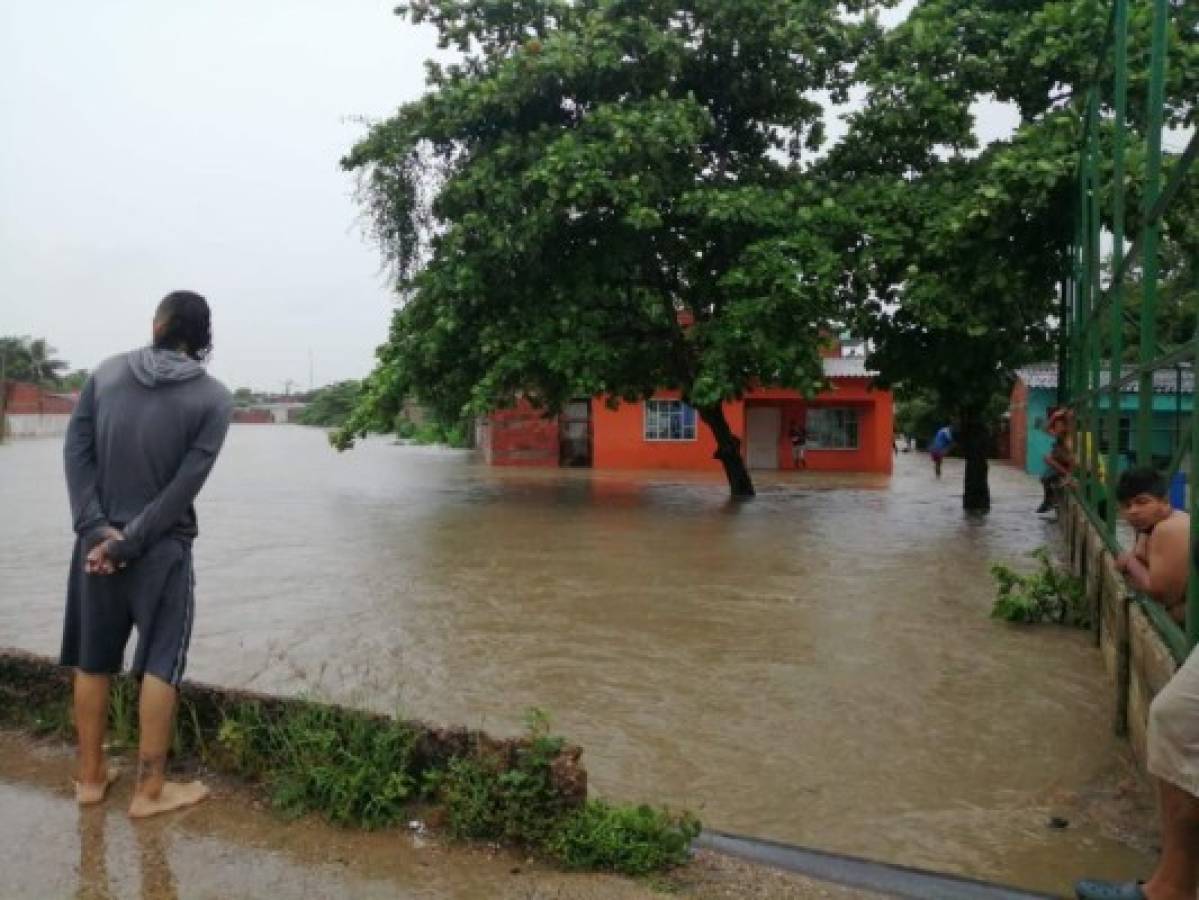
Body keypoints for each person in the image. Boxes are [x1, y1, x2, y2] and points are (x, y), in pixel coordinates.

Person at [60, 291, 233, 818]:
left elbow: (76, 451)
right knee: (160, 663)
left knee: (93, 661)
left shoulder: (106, 373)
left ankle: (91, 780)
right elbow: (185, 487)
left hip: (96, 550)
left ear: (157, 324)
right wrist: (129, 542)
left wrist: (96, 531)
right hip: (161, 550)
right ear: (203, 339)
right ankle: (149, 791)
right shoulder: (215, 399)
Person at [1076, 469, 1194, 900]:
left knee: (1172, 720)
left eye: (1141, 502)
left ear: (1165, 499)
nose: (1131, 511)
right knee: (1171, 720)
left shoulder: (1169, 529)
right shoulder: (1163, 526)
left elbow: (1160, 591)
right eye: (1127, 505)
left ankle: (1171, 889)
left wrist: (1128, 563)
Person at [1037, 408, 1076, 515]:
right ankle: (1048, 501)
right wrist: (1054, 416)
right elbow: (1045, 429)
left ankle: (1049, 501)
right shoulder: (1060, 435)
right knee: (1044, 478)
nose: (1056, 428)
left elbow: (1072, 457)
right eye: (1056, 425)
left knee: (1047, 459)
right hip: (1059, 463)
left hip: (1067, 464)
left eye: (1059, 425)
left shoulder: (1068, 435)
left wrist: (1066, 416)